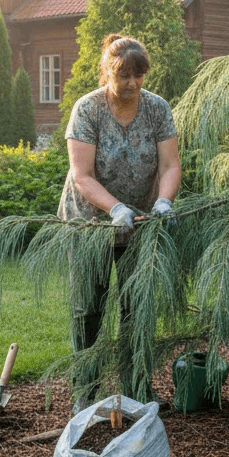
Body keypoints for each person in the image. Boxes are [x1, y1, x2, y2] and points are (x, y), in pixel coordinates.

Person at [57, 33, 181, 403]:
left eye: (139, 75)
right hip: (90, 224)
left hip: (140, 224)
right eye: (124, 75)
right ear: (107, 71)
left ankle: (136, 388)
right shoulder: (88, 109)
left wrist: (163, 201)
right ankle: (86, 393)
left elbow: (171, 164)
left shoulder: (157, 108)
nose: (132, 83)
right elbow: (82, 175)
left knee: (135, 306)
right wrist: (115, 208)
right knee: (89, 309)